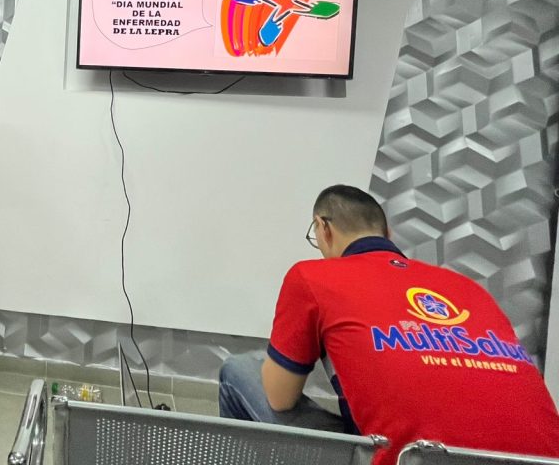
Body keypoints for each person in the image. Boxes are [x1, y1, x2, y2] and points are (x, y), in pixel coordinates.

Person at [218, 184, 559, 463]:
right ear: (388, 233)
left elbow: (279, 398)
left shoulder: (312, 276)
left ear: (323, 228)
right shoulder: (467, 287)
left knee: (238, 371)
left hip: (407, 460)